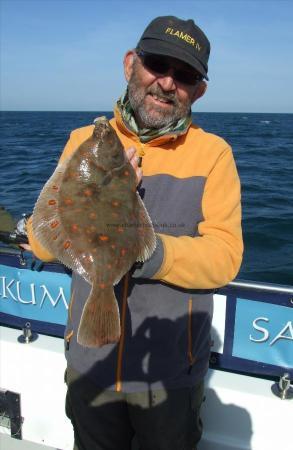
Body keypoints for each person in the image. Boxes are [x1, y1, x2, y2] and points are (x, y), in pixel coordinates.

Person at [26, 15, 243, 450]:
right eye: (157, 65)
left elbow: (225, 257)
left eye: (184, 76)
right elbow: (40, 241)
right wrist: (94, 193)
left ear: (198, 90)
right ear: (130, 65)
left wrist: (147, 252)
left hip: (169, 376)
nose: (167, 82)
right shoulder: (83, 140)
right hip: (90, 362)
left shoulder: (213, 154)